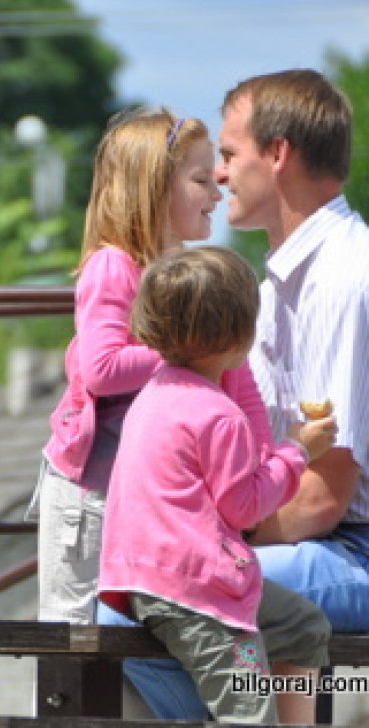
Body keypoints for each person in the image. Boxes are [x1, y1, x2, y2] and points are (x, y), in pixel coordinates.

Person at [116, 68, 369, 721]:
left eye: (229, 155)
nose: (220, 174)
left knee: (135, 602)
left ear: (278, 155)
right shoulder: (271, 289)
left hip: (353, 547)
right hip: (313, 537)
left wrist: (201, 540)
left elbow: (323, 498)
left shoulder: (343, 281)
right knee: (139, 590)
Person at [37, 107, 271, 624]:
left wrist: (260, 456)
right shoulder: (113, 266)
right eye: (200, 180)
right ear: (153, 186)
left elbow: (239, 373)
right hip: (91, 494)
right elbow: (101, 368)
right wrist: (189, 346)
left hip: (150, 496)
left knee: (136, 633)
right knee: (73, 634)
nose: (217, 192)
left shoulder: (192, 277)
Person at [99, 245, 334, 725]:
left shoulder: (157, 392)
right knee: (247, 714)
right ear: (239, 335)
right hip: (199, 596)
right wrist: (299, 453)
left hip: (151, 577)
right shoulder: (218, 415)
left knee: (304, 624)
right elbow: (245, 507)